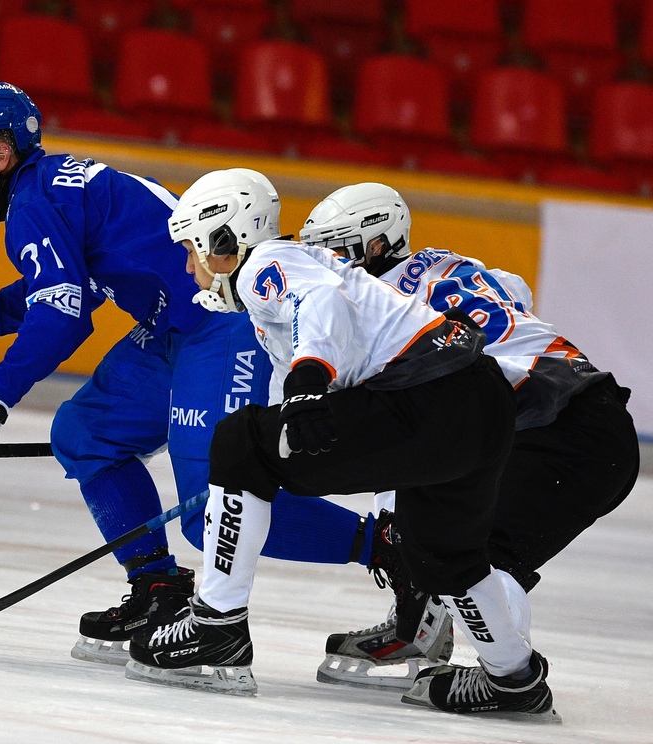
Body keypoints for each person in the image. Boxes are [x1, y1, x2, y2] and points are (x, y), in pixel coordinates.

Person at [125, 168, 562, 722]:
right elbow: (304, 377)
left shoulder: (266, 263)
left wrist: (303, 392)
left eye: (191, 251)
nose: (189, 268)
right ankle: (514, 679)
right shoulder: (285, 289)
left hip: (426, 394)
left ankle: (217, 625)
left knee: (239, 441)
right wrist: (249, 463)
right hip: (481, 402)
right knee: (446, 556)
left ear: (224, 239)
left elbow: (323, 304)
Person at [0, 82, 275, 663]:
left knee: (210, 513)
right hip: (180, 328)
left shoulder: (33, 202)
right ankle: (159, 589)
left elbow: (61, 315)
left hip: (222, 330)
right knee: (85, 434)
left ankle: (394, 551)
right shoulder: (46, 187)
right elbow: (64, 293)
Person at [297, 183, 639, 698]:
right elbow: (513, 288)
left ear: (374, 246)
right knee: (447, 518)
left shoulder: (378, 306)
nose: (325, 263)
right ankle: (425, 628)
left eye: (334, 248)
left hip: (557, 427)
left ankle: (509, 680)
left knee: (474, 555)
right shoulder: (447, 263)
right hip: (582, 415)